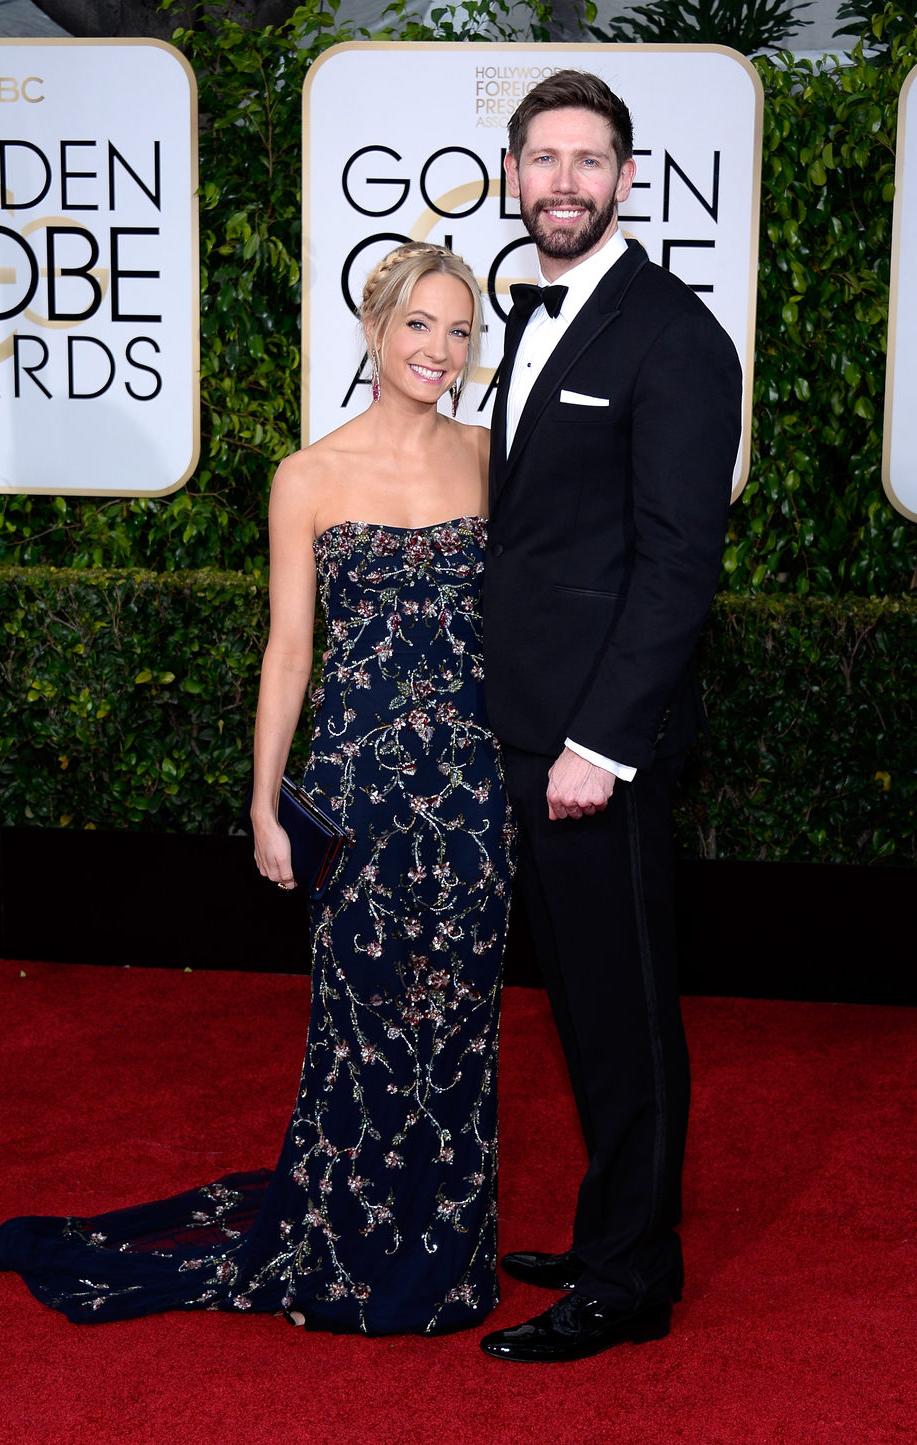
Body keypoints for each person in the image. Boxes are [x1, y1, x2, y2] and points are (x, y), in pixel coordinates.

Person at [0, 243, 514, 1336]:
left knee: (459, 1020)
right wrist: (266, 802)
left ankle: (447, 1251)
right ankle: (351, 1244)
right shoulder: (308, 475)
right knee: (358, 1020)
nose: (438, 352)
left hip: (472, 786)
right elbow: (288, 651)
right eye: (419, 326)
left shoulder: (495, 459)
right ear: (373, 326)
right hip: (356, 789)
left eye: (459, 332)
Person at [478, 71, 743, 1364]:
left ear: (628, 180)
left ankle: (633, 1280)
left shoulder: (675, 336)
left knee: (627, 1009)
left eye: (591, 161)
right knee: (580, 1003)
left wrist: (602, 743)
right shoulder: (528, 310)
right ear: (515, 172)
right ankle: (607, 1231)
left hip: (599, 746)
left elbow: (678, 562)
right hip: (529, 725)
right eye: (546, 158)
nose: (566, 182)